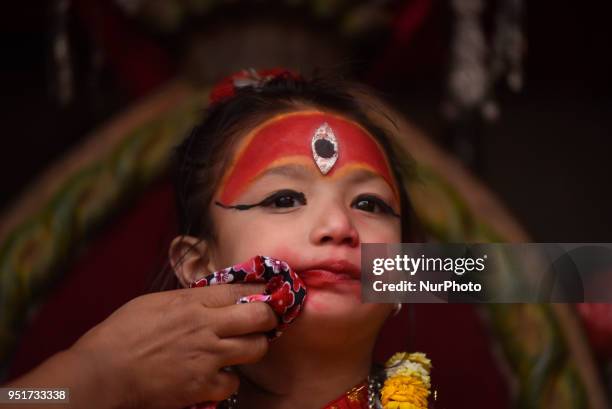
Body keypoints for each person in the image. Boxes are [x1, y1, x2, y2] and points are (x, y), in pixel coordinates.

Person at [4, 69, 430, 409]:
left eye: (370, 205)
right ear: (196, 265)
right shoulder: (104, 386)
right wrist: (95, 375)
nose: (339, 225)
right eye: (284, 198)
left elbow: (489, 273)